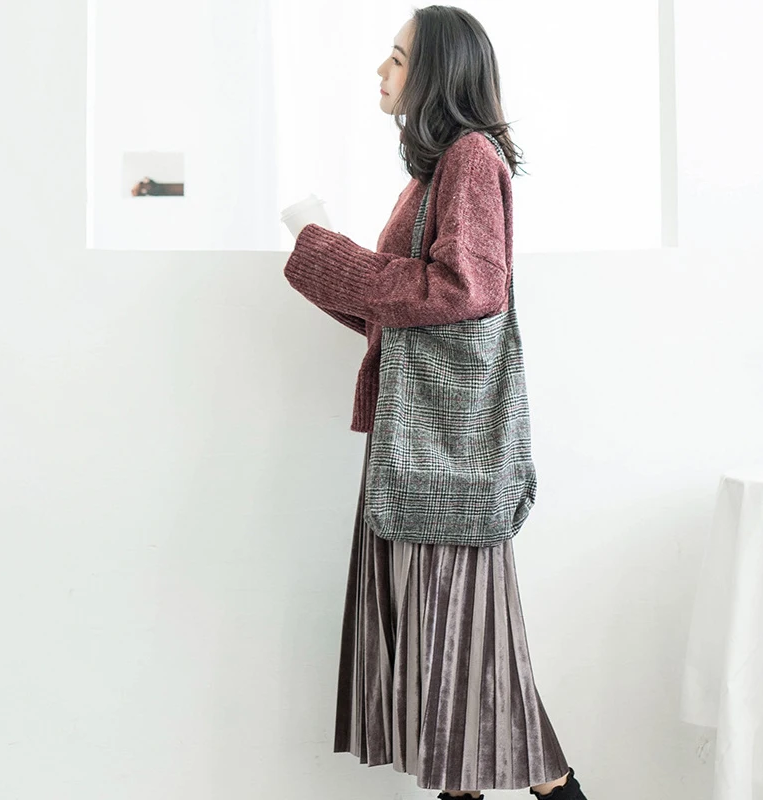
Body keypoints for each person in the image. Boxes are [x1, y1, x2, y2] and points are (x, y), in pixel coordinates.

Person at [283, 6, 588, 800]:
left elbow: (465, 288)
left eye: (396, 57)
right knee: (446, 661)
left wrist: (322, 248)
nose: (381, 71)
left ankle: (559, 787)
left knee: (467, 656)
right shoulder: (436, 171)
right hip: (420, 448)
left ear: (436, 72)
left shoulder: (469, 158)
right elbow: (402, 310)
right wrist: (322, 259)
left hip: (444, 454)